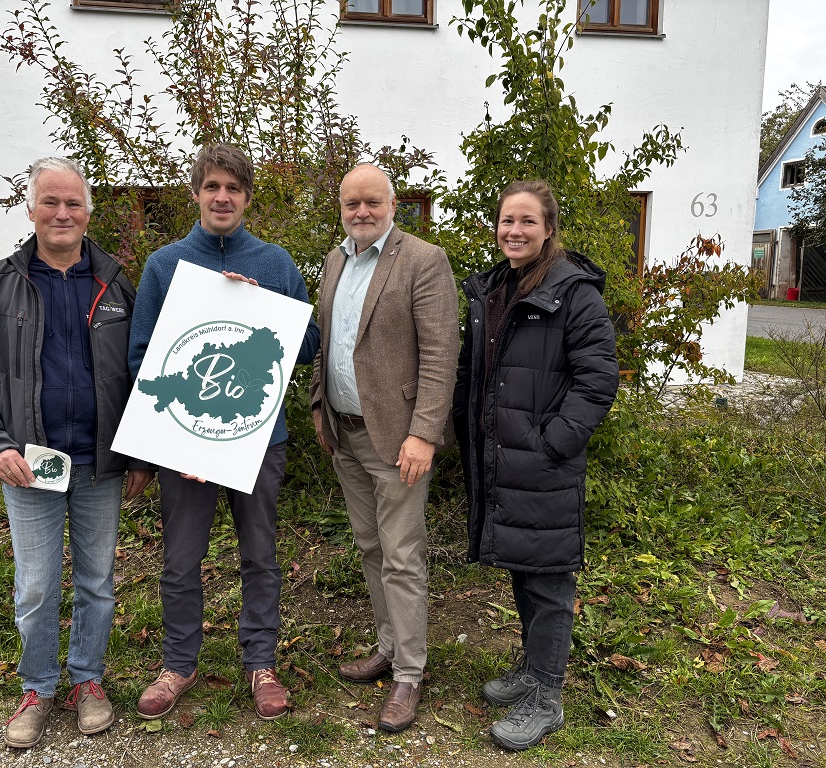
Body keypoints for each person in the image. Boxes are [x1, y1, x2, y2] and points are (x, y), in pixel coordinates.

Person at [0, 157, 153, 749]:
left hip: (99, 463)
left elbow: (144, 375)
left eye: (73, 204)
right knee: (37, 586)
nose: (62, 214)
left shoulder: (116, 285)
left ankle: (87, 681)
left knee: (97, 581)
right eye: (51, 203)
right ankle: (38, 687)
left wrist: (139, 452)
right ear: (32, 208)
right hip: (29, 464)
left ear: (88, 212)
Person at [130, 144, 320, 722]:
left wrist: (268, 309)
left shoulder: (276, 263)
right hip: (185, 440)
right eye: (212, 186)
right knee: (180, 562)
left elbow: (308, 347)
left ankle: (261, 663)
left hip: (259, 440)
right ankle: (178, 665)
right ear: (196, 194)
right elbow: (142, 356)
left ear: (247, 197)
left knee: (260, 555)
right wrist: (179, 440)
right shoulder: (165, 264)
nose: (222, 197)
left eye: (233, 188)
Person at [453, 180, 619, 750]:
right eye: (506, 220)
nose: (514, 231)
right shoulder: (494, 287)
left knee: (549, 580)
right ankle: (531, 670)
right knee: (523, 570)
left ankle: (547, 695)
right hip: (502, 459)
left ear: (549, 228)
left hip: (543, 461)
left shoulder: (575, 294)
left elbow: (598, 381)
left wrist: (554, 444)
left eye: (527, 221)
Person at [309, 163, 460, 733]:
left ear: (393, 204)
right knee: (371, 548)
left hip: (398, 440)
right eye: (352, 204)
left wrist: (423, 432)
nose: (362, 212)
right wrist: (321, 406)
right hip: (346, 433)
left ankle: (410, 675)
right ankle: (390, 647)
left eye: (372, 202)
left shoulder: (423, 260)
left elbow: (442, 353)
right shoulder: (335, 260)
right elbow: (329, 340)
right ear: (341, 208)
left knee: (401, 556)